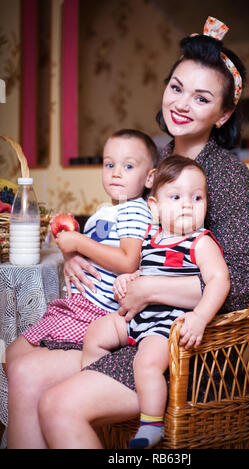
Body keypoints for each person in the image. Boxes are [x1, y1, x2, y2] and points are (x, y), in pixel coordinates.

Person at [7, 17, 249, 449]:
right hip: (127, 325)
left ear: (223, 114)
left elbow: (242, 283)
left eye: (201, 98)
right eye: (176, 87)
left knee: (51, 399)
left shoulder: (228, 175)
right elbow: (121, 223)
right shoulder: (156, 158)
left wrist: (149, 287)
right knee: (20, 367)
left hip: (183, 348)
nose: (181, 103)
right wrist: (79, 253)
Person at [5, 128, 157, 447]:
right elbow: (96, 253)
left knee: (16, 359)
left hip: (93, 315)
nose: (116, 173)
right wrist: (71, 251)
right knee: (12, 355)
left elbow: (129, 260)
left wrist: (80, 243)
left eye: (129, 166)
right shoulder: (108, 210)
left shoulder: (134, 209)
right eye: (109, 164)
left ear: (150, 177)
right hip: (77, 307)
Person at [81, 155, 230, 448]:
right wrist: (128, 279)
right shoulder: (152, 236)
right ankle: (95, 379)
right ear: (155, 207)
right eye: (176, 197)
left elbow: (219, 280)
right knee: (96, 333)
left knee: (147, 363)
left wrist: (200, 317)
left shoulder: (201, 242)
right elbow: (145, 270)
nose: (188, 204)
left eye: (197, 197)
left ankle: (151, 423)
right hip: (139, 318)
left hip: (166, 324)